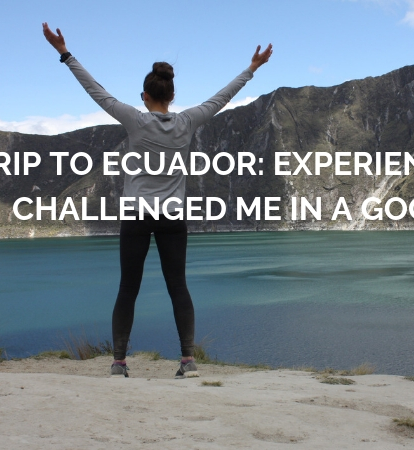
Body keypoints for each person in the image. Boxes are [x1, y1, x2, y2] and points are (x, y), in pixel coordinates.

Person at [42, 22, 272, 378]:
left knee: (128, 288)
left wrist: (65, 53)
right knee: (177, 285)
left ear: (146, 97)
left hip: (136, 214)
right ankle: (188, 360)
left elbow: (96, 92)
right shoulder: (187, 122)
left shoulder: (135, 120)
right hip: (172, 216)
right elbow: (221, 97)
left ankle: (119, 362)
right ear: (171, 97)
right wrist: (252, 69)